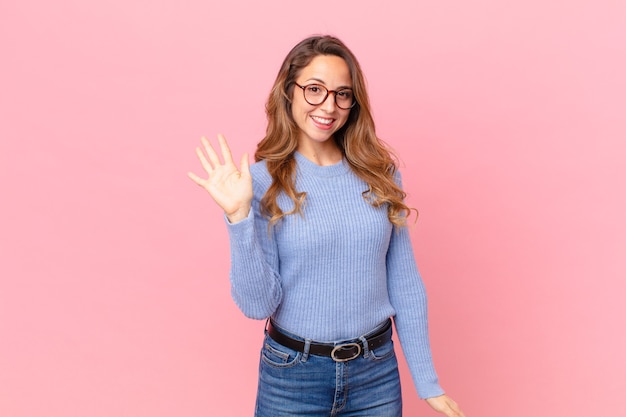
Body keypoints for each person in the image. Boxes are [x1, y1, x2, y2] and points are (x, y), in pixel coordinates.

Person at [188, 35, 465, 417]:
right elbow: (258, 305)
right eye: (314, 90)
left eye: (342, 94)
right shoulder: (259, 183)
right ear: (289, 91)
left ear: (354, 102)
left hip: (376, 373)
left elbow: (404, 281)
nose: (328, 106)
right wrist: (239, 218)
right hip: (292, 376)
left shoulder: (381, 176)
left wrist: (427, 380)